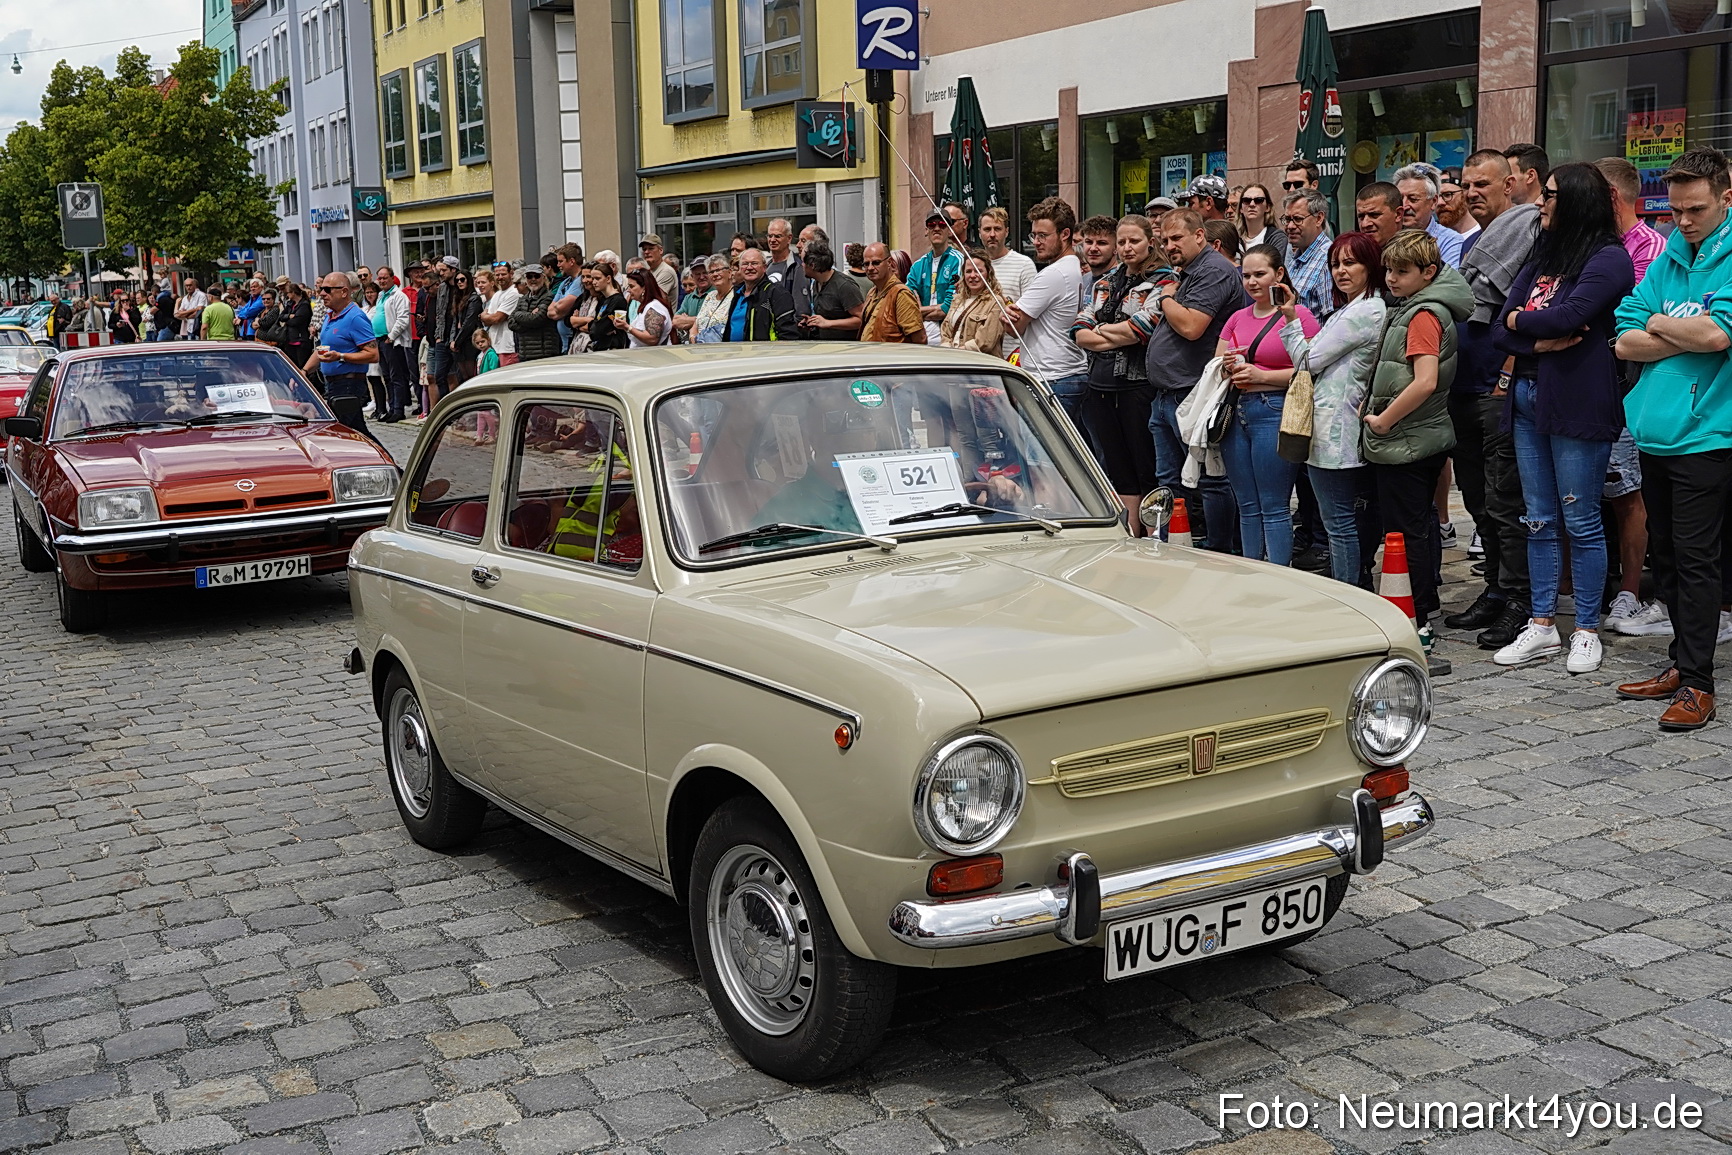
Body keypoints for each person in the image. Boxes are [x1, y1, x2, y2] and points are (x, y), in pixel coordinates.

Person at [1486, 162, 1635, 675]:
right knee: (1539, 518)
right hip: (1528, 397)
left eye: (1548, 194)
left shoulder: (1610, 258)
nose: (1540, 202)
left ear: (1573, 201)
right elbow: (1495, 328)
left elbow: (1567, 318)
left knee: (1582, 519)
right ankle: (1543, 624)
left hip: (1576, 402)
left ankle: (1587, 629)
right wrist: (1531, 333)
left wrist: (1519, 324)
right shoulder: (1542, 253)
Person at [1613, 146, 1732, 731]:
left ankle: (1699, 682)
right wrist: (1673, 329)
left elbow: (1717, 336)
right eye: (1676, 211)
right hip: (1655, 432)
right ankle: (1680, 665)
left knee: (1698, 559)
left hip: (1707, 435)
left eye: (1695, 210)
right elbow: (1623, 332)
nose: (1682, 222)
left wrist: (1661, 324)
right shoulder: (1672, 255)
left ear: (1725, 199)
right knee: (1669, 559)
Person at [1446, 149, 1543, 647]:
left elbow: (1527, 311)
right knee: (1480, 501)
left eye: (1482, 184)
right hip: (1462, 386)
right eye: (1466, 185)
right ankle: (1496, 591)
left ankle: (1521, 602)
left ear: (1510, 185)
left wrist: (1507, 374)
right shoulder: (1472, 246)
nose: (1471, 193)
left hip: (1497, 387)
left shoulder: (1528, 235)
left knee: (1506, 501)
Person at [1364, 231, 1473, 655]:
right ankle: (1417, 610)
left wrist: (1383, 421)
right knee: (1416, 526)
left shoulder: (1423, 314)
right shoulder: (1413, 308)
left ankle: (1420, 617)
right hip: (1413, 435)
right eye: (1389, 270)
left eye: (1402, 271)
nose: (1392, 278)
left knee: (1408, 532)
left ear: (1429, 272)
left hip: (1409, 437)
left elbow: (1425, 381)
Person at [1130, 207, 1249, 551]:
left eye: (1176, 238)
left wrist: (1166, 296)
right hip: (1167, 394)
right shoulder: (1188, 270)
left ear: (1200, 236)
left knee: (1211, 480)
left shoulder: (1213, 269)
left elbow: (1192, 326)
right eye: (1164, 240)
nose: (1169, 246)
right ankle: (1170, 545)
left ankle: (1220, 552)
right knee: (1170, 482)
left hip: (1194, 392)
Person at [1280, 231, 1389, 587]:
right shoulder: (1356, 308)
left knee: (1339, 525)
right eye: (1335, 264)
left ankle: (1351, 595)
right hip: (1338, 426)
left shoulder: (1363, 311)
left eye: (1350, 263)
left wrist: (1291, 320)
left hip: (1335, 432)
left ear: (1370, 266)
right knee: (1345, 522)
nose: (1340, 271)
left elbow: (1306, 360)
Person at [1594, 155, 1665, 633]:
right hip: (1593, 387)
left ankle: (1631, 592)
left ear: (1611, 198)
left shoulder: (1649, 247)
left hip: (1633, 390)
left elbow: (1627, 322)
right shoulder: (1595, 244)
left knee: (1629, 494)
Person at [1216, 244, 1321, 565]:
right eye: (1246, 275)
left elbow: (1312, 370)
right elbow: (1216, 365)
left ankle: (1279, 575)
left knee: (1274, 504)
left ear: (1279, 274)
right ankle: (1252, 572)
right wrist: (1229, 366)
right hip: (1236, 413)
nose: (1252, 282)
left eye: (1260, 274)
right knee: (1246, 504)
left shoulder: (1298, 315)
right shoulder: (1236, 318)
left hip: (1275, 410)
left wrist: (1261, 376)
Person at [1073, 215, 1171, 525]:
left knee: (1146, 466)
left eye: (1135, 241)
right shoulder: (1106, 281)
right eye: (1123, 242)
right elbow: (1079, 331)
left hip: (1138, 385)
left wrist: (1100, 330)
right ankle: (1131, 537)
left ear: (1150, 242)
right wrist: (1113, 332)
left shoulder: (1163, 280)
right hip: (1100, 385)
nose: (1127, 248)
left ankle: (1155, 535)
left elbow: (1142, 329)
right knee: (1117, 468)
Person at [1003, 197, 1090, 432]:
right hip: (1065, 374)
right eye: (1034, 235)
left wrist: (1006, 314)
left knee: (1040, 464)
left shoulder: (1054, 273)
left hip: (1053, 377)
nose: (1037, 242)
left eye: (1043, 235)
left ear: (1065, 234)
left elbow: (1015, 327)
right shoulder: (1073, 267)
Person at [303, 271, 379, 440]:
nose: (322, 293)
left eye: (328, 290)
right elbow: (322, 349)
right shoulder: (330, 315)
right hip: (333, 384)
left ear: (344, 292)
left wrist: (341, 356)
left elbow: (373, 354)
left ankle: (386, 463)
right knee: (354, 431)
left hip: (349, 383)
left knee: (345, 431)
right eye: (322, 289)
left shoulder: (355, 317)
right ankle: (384, 463)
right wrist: (304, 371)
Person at [979, 205, 1036, 359]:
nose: (992, 234)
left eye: (997, 229)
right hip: (979, 352)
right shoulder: (972, 266)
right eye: (987, 229)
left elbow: (1032, 312)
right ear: (979, 233)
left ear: (1007, 232)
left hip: (1013, 353)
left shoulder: (1024, 264)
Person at [1394, 162, 1466, 268]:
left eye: (1413, 199)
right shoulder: (1388, 234)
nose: (1404, 206)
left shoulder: (1450, 241)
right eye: (1400, 199)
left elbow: (1449, 283)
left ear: (1433, 202)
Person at [910, 209, 965, 345]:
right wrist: (933, 309)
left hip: (947, 337)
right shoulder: (918, 265)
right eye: (931, 225)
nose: (936, 228)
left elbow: (949, 307)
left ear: (950, 231)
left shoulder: (958, 260)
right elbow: (907, 304)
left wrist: (919, 311)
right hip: (921, 337)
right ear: (925, 230)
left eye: (942, 224)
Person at [941, 249, 1006, 358]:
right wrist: (947, 349)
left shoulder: (995, 302)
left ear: (988, 273)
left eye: (978, 271)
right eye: (968, 271)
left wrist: (957, 352)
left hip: (980, 366)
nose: (973, 275)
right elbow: (945, 330)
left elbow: (986, 342)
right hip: (953, 361)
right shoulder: (957, 300)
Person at [1281, 189, 1335, 321]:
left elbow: (1331, 321)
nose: (1290, 226)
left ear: (1319, 219)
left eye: (1298, 219)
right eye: (1287, 219)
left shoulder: (1327, 260)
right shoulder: (1297, 257)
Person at [858, 243, 926, 344]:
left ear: (889, 262)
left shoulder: (901, 294)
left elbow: (920, 340)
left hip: (892, 358)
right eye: (866, 264)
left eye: (876, 263)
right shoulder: (872, 292)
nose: (870, 268)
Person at [722, 248, 794, 342]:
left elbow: (788, 334)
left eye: (754, 263)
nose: (749, 267)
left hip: (762, 354)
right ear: (739, 268)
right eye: (745, 264)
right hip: (735, 354)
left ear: (764, 267)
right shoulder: (737, 294)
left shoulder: (776, 293)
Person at [798, 241, 864, 339]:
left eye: (803, 261)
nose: (801, 265)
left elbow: (861, 319)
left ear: (812, 265)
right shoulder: (816, 283)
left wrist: (828, 323)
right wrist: (813, 322)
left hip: (845, 349)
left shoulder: (844, 285)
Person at [380, 269, 415, 422]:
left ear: (392, 278)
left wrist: (391, 336)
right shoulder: (382, 295)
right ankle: (392, 407)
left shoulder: (399, 296)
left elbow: (402, 319)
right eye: (380, 278)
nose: (382, 281)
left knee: (397, 376)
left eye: (385, 278)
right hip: (380, 339)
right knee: (387, 376)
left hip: (394, 341)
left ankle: (399, 409)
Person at [510, 266, 561, 360]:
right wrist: (528, 318)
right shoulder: (522, 299)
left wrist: (520, 317)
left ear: (543, 278)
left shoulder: (549, 297)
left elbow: (537, 319)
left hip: (545, 354)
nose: (533, 279)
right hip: (525, 354)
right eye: (529, 276)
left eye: (536, 276)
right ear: (525, 280)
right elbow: (510, 323)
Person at [614, 267, 672, 348]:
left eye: (632, 286)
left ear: (644, 288)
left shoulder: (654, 308)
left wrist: (628, 327)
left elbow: (652, 339)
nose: (628, 290)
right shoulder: (646, 306)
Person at [481, 265, 521, 366]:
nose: (500, 277)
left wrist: (484, 316)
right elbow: (487, 320)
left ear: (511, 274)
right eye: (497, 275)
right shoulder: (497, 294)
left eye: (503, 274)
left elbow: (497, 318)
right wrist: (486, 317)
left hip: (508, 347)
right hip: (495, 347)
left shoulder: (514, 292)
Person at [1237, 183, 1288, 262]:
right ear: (1241, 208)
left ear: (1267, 207)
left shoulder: (1277, 238)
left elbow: (1274, 268)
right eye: (1246, 200)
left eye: (1258, 200)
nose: (1252, 204)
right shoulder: (1234, 239)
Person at [451, 270, 484, 381]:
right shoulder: (457, 298)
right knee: (463, 376)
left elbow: (469, 322)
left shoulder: (474, 298)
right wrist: (453, 340)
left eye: (462, 279)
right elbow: (455, 321)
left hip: (470, 339)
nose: (459, 282)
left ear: (468, 280)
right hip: (459, 340)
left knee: (472, 376)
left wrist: (457, 341)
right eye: (457, 280)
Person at [1077, 215, 1120, 296]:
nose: (1093, 248)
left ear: (1116, 247)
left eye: (1101, 243)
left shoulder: (1122, 284)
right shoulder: (1082, 281)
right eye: (1089, 242)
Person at [362, 281, 387, 413]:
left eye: (372, 292)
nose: (370, 295)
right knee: (370, 377)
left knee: (376, 376)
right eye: (367, 292)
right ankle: (376, 405)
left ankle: (382, 407)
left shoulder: (379, 307)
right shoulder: (365, 308)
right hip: (365, 345)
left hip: (375, 343)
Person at [670, 257, 709, 343]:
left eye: (705, 273)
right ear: (692, 276)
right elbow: (675, 321)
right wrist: (701, 320)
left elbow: (712, 322)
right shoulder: (688, 297)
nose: (701, 277)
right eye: (697, 274)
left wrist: (687, 320)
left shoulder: (716, 294)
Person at [1355, 183, 1404, 247]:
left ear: (1398, 214)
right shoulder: (1353, 254)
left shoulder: (1417, 254)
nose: (1365, 224)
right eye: (1361, 216)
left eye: (1374, 215)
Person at [1436, 170, 1479, 243]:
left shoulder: (1483, 236)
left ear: (1465, 194)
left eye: (1447, 195)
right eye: (1436, 198)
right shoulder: (1432, 240)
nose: (1439, 203)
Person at [279, 283, 314, 371]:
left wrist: (288, 319)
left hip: (300, 338)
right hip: (290, 338)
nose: (287, 295)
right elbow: (281, 316)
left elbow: (297, 321)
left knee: (301, 364)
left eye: (288, 293)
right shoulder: (290, 304)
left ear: (293, 293)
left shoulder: (304, 304)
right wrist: (289, 316)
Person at [639, 234, 680, 301]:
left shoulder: (666, 271)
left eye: (651, 248)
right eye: (644, 249)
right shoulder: (650, 271)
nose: (646, 252)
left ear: (660, 250)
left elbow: (654, 298)